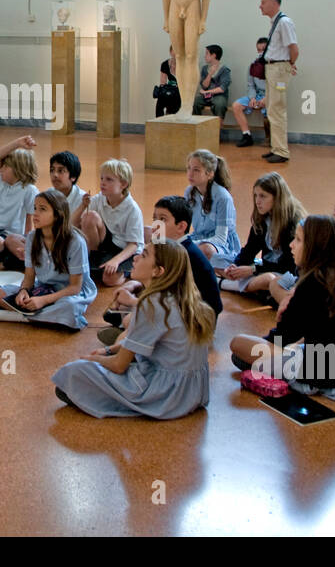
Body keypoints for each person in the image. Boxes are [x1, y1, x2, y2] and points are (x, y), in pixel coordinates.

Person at [52, 243, 213, 419]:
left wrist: (94, 359)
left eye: (143, 255)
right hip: (195, 391)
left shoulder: (151, 305)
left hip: (167, 394)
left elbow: (118, 366)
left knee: (73, 373)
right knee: (128, 340)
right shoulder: (184, 298)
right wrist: (108, 351)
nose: (135, 258)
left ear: (158, 271)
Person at [229, 215, 335, 401]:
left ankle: (295, 376)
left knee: (238, 346)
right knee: (273, 352)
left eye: (298, 240)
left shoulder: (313, 282)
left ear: (315, 247)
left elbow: (282, 337)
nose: (292, 245)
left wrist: (282, 319)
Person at [103, 195, 222, 345]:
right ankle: (130, 331)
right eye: (155, 219)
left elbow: (173, 301)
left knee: (130, 318)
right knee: (127, 310)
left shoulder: (184, 254)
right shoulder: (170, 248)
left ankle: (131, 339)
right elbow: (162, 285)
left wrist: (134, 301)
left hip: (196, 321)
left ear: (181, 227)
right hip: (179, 311)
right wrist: (135, 284)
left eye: (163, 220)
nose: (155, 226)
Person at [0, 189, 95, 330]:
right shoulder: (32, 237)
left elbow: (75, 287)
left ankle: (20, 317)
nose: (35, 214)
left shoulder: (75, 242)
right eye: (35, 208)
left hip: (68, 292)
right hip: (44, 288)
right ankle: (42, 318)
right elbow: (29, 277)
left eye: (42, 209)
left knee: (69, 308)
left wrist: (43, 301)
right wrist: (23, 291)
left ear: (58, 215)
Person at [270, 183, 335, 308]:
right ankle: (293, 303)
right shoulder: (329, 232)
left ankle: (295, 306)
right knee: (275, 282)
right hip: (311, 281)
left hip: (334, 289)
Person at [219, 171, 304, 296]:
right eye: (256, 195)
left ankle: (224, 284)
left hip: (286, 274)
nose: (257, 201)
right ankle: (252, 287)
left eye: (263, 196)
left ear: (277, 198)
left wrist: (253, 270)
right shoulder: (263, 218)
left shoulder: (292, 222)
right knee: (217, 259)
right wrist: (236, 266)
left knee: (268, 279)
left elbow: (289, 266)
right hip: (264, 266)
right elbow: (249, 249)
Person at [79, 158, 144, 287]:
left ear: (123, 184)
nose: (102, 183)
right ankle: (94, 259)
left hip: (125, 249)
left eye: (109, 180)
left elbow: (133, 245)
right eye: (102, 178)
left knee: (109, 280)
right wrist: (82, 205)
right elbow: (77, 224)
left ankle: (127, 271)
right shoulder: (100, 198)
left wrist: (115, 261)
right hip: (107, 244)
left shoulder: (132, 209)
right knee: (89, 217)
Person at [0, 135, 39, 266]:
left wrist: (27, 238)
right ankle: (2, 261)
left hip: (9, 236)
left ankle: (5, 260)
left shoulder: (29, 189)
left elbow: (30, 217)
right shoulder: (3, 183)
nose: (1, 169)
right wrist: (18, 143)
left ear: (18, 169)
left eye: (6, 167)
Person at [258, 0, 298, 164]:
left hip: (279, 70)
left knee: (277, 109)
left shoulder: (284, 22)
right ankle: (276, 147)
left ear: (274, 3)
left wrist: (289, 65)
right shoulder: (276, 22)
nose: (260, 6)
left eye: (263, 2)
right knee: (272, 108)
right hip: (274, 68)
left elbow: (294, 48)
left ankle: (281, 150)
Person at [183, 148, 241, 265]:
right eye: (189, 168)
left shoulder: (222, 197)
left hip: (221, 245)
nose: (190, 173)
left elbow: (220, 238)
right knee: (157, 237)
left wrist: (191, 244)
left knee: (204, 250)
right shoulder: (189, 192)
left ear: (209, 174)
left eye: (196, 170)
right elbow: (184, 226)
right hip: (199, 238)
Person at [231, 37, 268, 147]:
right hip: (257, 94)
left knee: (272, 110)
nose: (261, 52)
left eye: (264, 49)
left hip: (270, 96)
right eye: (259, 49)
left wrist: (266, 98)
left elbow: (276, 86)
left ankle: (270, 138)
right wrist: (252, 98)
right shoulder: (253, 65)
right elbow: (250, 84)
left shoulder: (273, 66)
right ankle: (246, 135)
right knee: (236, 105)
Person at [191, 44, 231, 120]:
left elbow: (222, 88)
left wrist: (206, 92)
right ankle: (197, 125)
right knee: (194, 102)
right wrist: (210, 74)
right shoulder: (205, 69)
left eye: (207, 53)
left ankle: (218, 128)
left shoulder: (224, 70)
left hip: (219, 96)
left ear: (214, 55)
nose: (204, 56)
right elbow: (204, 86)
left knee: (220, 105)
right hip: (206, 96)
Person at [49, 150, 86, 215]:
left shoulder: (82, 200)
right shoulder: (48, 195)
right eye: (52, 170)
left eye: (60, 171)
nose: (55, 175)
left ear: (73, 176)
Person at [154, 47, 181, 117]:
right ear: (170, 52)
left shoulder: (184, 65)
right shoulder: (165, 64)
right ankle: (159, 121)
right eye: (174, 50)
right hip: (170, 90)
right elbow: (163, 83)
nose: (176, 53)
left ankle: (171, 119)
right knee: (161, 99)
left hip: (181, 91)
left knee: (175, 98)